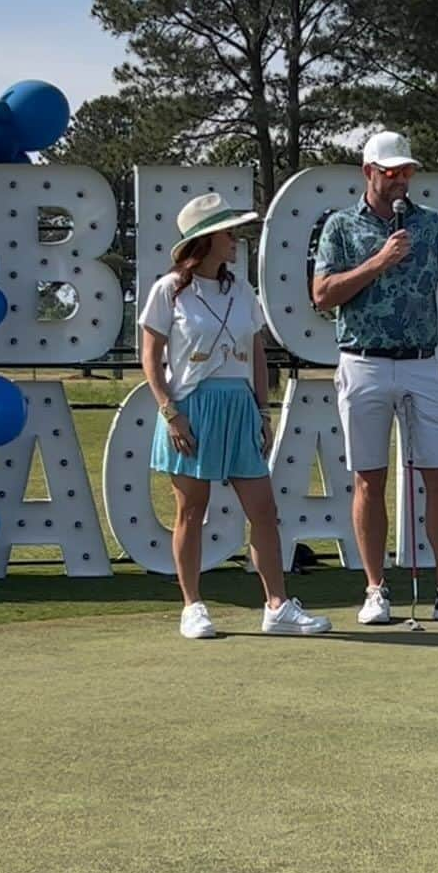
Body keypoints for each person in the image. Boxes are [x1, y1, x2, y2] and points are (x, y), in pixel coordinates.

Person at [312, 132, 438, 626]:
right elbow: (323, 295)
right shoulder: (341, 227)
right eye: (390, 172)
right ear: (367, 172)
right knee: (368, 479)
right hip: (363, 361)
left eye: (407, 171)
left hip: (421, 362)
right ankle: (375, 589)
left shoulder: (432, 226)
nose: (400, 180)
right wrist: (378, 261)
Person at [140, 191, 331, 641]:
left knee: (263, 510)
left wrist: (263, 411)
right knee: (191, 509)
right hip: (191, 406)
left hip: (240, 407)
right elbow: (150, 356)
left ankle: (278, 605)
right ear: (204, 240)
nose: (235, 241)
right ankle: (193, 607)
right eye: (228, 233)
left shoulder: (240, 288)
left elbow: (257, 354)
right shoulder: (167, 291)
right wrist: (170, 412)